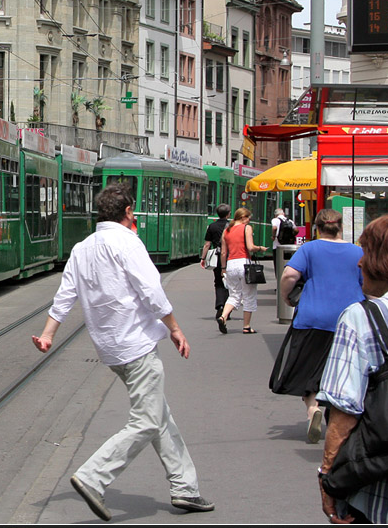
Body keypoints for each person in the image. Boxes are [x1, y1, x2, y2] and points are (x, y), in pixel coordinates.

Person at [32, 185, 214, 520]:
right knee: (146, 420)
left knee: (158, 414)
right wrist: (174, 328)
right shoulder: (128, 242)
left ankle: (185, 488)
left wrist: (47, 335)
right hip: (136, 344)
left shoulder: (82, 248)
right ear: (128, 211)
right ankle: (93, 476)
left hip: (110, 347)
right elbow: (151, 291)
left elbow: (65, 296)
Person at [317, 212, 388, 524]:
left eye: (366, 252)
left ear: (386, 261)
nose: (359, 262)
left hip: (387, 499)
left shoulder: (361, 317)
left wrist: (329, 478)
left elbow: (344, 414)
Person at [270, 209, 364, 444]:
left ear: (317, 228)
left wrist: (285, 296)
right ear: (341, 226)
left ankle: (313, 409)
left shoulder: (309, 248)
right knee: (343, 371)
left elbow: (290, 275)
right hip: (349, 320)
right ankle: (339, 419)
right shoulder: (357, 251)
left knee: (308, 368)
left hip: (313, 317)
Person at [217, 207, 267, 334]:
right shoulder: (246, 228)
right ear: (243, 217)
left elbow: (223, 252)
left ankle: (223, 316)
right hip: (244, 263)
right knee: (248, 295)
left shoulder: (226, 230)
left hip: (230, 265)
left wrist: (223, 268)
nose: (249, 221)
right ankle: (246, 326)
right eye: (248, 218)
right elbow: (250, 247)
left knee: (234, 295)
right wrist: (260, 248)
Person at [200, 203, 231, 317]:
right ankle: (227, 309)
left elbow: (207, 244)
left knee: (218, 282)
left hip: (217, 257)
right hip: (230, 256)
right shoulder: (231, 226)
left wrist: (203, 258)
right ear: (229, 214)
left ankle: (220, 305)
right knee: (228, 283)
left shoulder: (212, 226)